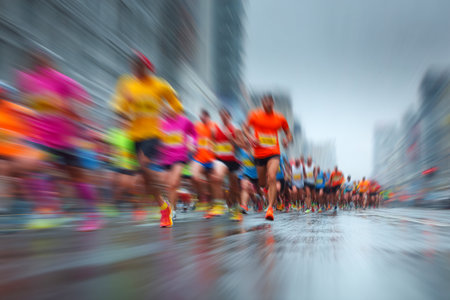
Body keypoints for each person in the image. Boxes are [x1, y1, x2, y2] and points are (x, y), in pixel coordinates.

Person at [17, 50, 100, 231]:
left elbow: (83, 100)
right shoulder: (28, 80)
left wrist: (78, 119)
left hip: (64, 139)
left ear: (48, 62)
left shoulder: (61, 80)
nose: (36, 61)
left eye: (40, 59)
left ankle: (93, 213)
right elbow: (30, 107)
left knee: (76, 177)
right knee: (25, 165)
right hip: (39, 138)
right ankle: (47, 210)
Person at [111, 51, 183, 228]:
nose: (136, 68)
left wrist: (171, 110)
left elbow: (176, 105)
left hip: (153, 134)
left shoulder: (159, 86)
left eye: (139, 66)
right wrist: (124, 108)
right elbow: (118, 108)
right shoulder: (127, 84)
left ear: (147, 67)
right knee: (145, 178)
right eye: (133, 65)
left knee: (144, 163)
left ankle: (161, 180)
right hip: (135, 136)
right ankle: (164, 207)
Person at [243, 95, 292, 221]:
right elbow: (244, 128)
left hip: (274, 153)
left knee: (271, 176)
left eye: (270, 101)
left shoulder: (280, 118)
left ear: (273, 102)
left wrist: (287, 140)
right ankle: (265, 195)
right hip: (259, 154)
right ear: (262, 102)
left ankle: (270, 208)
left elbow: (288, 133)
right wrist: (250, 137)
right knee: (262, 183)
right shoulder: (254, 115)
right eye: (265, 101)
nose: (267, 103)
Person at [159, 107, 196, 222]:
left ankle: (172, 211)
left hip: (179, 157)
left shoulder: (184, 121)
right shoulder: (161, 122)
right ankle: (169, 206)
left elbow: (194, 134)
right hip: (165, 158)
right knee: (166, 185)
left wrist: (192, 143)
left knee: (173, 183)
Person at [190, 109, 228, 218]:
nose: (203, 118)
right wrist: (191, 145)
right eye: (201, 116)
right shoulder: (196, 126)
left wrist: (213, 135)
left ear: (208, 117)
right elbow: (192, 138)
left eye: (205, 116)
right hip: (199, 159)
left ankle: (218, 205)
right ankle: (204, 198)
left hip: (212, 160)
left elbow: (218, 138)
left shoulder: (214, 125)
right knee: (194, 177)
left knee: (215, 181)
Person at [213, 108, 244, 221]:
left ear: (229, 117)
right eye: (222, 115)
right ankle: (218, 204)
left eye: (226, 115)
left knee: (234, 187)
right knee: (217, 177)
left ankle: (236, 209)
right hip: (220, 160)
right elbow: (212, 143)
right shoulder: (216, 129)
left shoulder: (236, 129)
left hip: (233, 161)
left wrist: (233, 140)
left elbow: (242, 144)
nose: (224, 117)